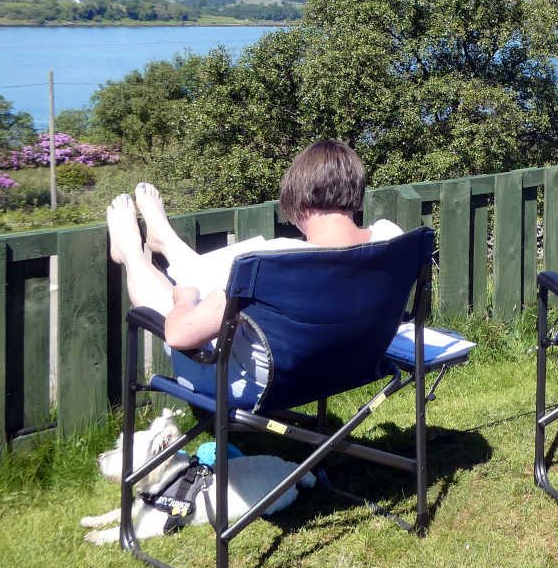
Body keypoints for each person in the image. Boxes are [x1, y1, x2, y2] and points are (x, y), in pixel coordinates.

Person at [106, 139, 401, 403]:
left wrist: (183, 298)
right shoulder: (391, 238)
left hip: (258, 384)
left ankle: (131, 252)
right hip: (343, 368)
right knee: (218, 284)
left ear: (299, 200)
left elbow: (179, 335)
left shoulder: (271, 261)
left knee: (183, 295)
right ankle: (166, 239)